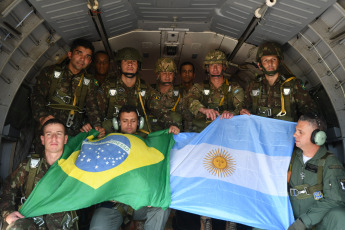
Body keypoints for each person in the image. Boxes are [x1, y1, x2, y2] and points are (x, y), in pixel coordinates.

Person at [89, 105, 171, 230]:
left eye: (133, 121)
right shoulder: (107, 142)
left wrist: (152, 196)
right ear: (117, 123)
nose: (129, 125)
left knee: (162, 206)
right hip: (114, 205)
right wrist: (88, 133)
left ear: (139, 123)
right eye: (125, 121)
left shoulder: (148, 143)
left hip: (141, 203)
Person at [0, 119, 78, 230]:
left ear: (65, 139)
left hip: (62, 225)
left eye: (59, 134)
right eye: (49, 134)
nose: (54, 138)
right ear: (42, 139)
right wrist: (8, 213)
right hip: (31, 222)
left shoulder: (76, 169)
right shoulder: (30, 166)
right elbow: (8, 189)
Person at [31, 38, 105, 152]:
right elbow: (37, 96)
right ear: (70, 54)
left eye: (87, 56)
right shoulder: (50, 73)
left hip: (72, 134)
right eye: (79, 53)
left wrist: (97, 126)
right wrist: (43, 117)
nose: (82, 59)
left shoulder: (89, 82)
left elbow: (92, 107)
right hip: (49, 129)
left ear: (90, 62)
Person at [288, 113, 345, 230]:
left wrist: (303, 222)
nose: (294, 134)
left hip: (315, 224)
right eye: (295, 130)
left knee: (340, 216)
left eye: (300, 132)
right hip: (289, 217)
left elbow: (334, 200)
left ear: (317, 136)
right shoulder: (290, 157)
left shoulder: (330, 163)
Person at [240, 42, 317, 121]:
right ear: (260, 65)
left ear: (280, 62)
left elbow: (309, 109)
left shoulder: (293, 84)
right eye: (265, 60)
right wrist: (242, 111)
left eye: (274, 59)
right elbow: (243, 107)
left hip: (285, 130)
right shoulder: (253, 85)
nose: (270, 64)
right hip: (258, 129)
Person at [97, 47, 153, 135]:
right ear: (119, 65)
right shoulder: (108, 86)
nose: (130, 64)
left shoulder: (145, 88)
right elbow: (96, 111)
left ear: (138, 65)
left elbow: (160, 110)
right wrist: (98, 128)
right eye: (126, 60)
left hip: (137, 135)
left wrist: (172, 125)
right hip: (112, 133)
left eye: (134, 61)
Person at [186, 49, 244, 132]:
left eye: (218, 65)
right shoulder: (199, 87)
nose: (215, 69)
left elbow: (241, 107)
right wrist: (203, 109)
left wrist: (231, 113)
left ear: (224, 67)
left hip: (226, 130)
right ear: (207, 68)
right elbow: (189, 99)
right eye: (212, 65)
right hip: (203, 131)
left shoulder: (234, 87)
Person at [148, 57, 188, 134]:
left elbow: (187, 118)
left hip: (175, 135)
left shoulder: (181, 93)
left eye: (170, 73)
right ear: (157, 74)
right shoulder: (149, 91)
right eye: (164, 73)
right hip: (154, 135)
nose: (167, 76)